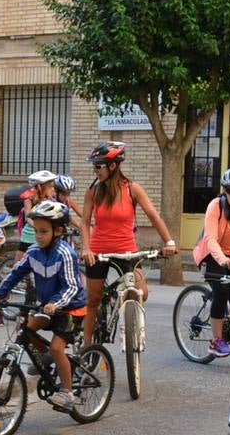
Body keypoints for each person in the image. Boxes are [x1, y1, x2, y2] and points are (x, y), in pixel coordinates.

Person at [76, 141, 179, 344]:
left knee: (141, 292)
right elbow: (85, 222)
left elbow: (154, 216)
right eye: (94, 166)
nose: (95, 170)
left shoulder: (132, 189)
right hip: (98, 252)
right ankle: (86, 348)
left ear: (112, 166)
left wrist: (169, 241)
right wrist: (86, 248)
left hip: (127, 252)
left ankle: (122, 305)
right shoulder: (93, 192)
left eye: (98, 166)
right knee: (93, 300)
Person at [0, 200, 88, 409]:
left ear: (59, 230)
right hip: (48, 307)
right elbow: (15, 273)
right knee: (26, 328)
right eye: (36, 231)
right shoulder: (33, 252)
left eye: (44, 231)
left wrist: (54, 303)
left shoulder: (65, 253)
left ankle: (67, 393)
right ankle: (46, 359)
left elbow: (71, 286)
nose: (39, 236)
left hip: (71, 308)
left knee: (56, 347)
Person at [192, 167, 230, 356]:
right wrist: (223, 259)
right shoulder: (215, 206)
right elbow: (210, 238)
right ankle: (216, 340)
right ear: (224, 191)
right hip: (212, 255)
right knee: (221, 291)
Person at [14, 170, 58, 261]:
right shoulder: (29, 200)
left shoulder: (51, 201)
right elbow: (28, 218)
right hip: (29, 235)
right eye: (50, 187)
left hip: (44, 235)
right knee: (18, 265)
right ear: (40, 187)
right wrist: (38, 227)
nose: (53, 190)